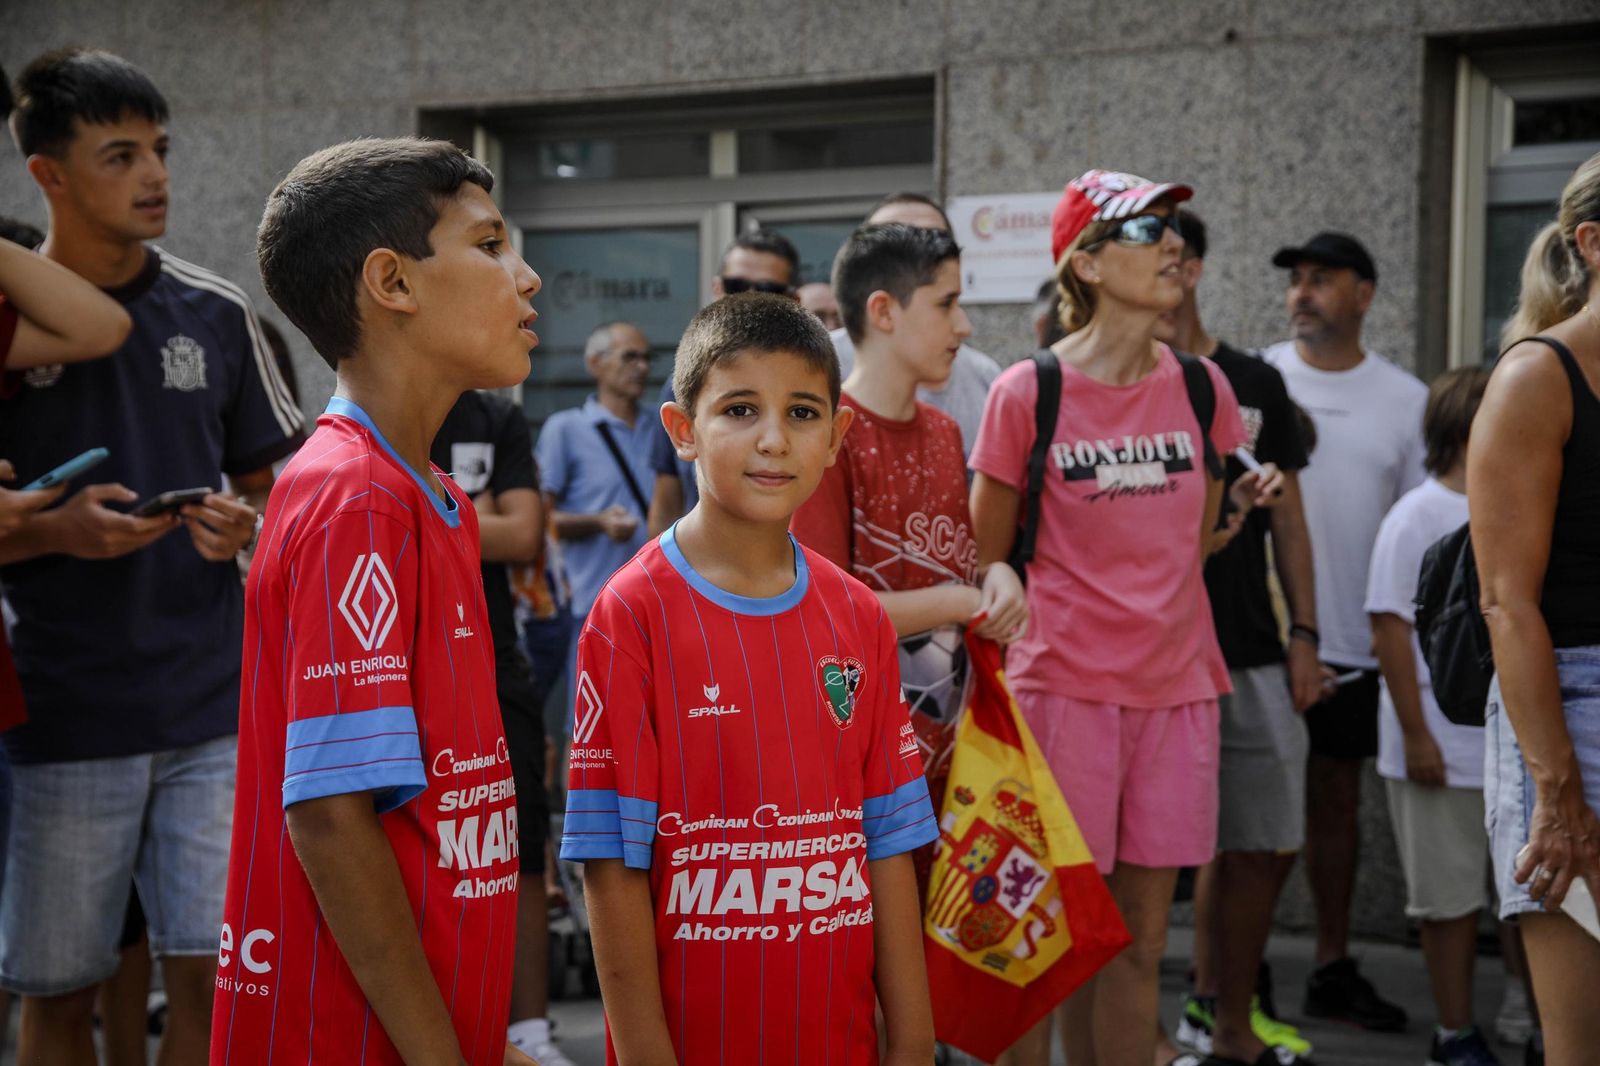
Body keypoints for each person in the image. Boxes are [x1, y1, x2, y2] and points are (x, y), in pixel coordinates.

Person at [0, 50, 305, 1066]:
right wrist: (50, 530)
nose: (155, 175)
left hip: (209, 709)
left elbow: (284, 493)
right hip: (61, 712)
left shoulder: (216, 314)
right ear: (46, 173)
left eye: (162, 150)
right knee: (56, 994)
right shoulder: (12, 324)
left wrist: (244, 526)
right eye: (120, 154)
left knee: (217, 977)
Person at [210, 136, 542, 1065]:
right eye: (489, 245)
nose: (528, 277)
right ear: (392, 281)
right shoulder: (351, 498)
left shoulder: (425, 494)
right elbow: (328, 814)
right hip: (347, 1036)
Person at [561, 293, 938, 1063]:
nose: (773, 439)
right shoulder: (630, 614)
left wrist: (912, 1043)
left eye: (802, 413)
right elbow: (610, 865)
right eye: (739, 409)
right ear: (683, 431)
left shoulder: (859, 616)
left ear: (836, 437)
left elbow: (890, 842)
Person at [969, 170, 1270, 1066]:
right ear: (1088, 263)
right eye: (1147, 229)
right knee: (1049, 936)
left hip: (1177, 690)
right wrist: (999, 582)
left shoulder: (1204, 385)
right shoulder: (1029, 390)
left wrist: (1239, 511)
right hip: (1062, 690)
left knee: (1142, 943)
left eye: (1176, 227)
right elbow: (987, 557)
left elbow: (1195, 544)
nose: (1174, 244)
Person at [790, 222, 1027, 890]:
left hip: (949, 756)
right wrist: (962, 602)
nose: (966, 326)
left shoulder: (947, 432)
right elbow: (825, 611)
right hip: (853, 760)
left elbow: (958, 563)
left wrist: (997, 575)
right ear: (885, 311)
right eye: (947, 304)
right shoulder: (826, 434)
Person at [1155, 209, 1318, 1066]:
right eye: (1150, 254)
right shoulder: (1101, 384)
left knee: (1261, 838)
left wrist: (1307, 634)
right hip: (1143, 653)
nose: (1165, 270)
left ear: (1197, 268)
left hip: (1250, 646)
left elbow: (1290, 522)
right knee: (1143, 857)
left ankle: (1227, 1022)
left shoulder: (1254, 380)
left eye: (1177, 256)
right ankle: (1160, 1023)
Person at [1262, 231, 1424, 1033]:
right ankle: (1234, 979)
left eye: (1321, 279)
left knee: (1334, 803)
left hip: (1356, 648)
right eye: (1295, 279)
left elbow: (1426, 533)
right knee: (1241, 817)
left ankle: (1331, 964)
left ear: (1364, 294)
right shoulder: (1256, 381)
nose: (1301, 292)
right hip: (1261, 638)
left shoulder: (1407, 399)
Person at [1472, 150, 1600, 1066]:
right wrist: (1556, 793)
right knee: (1580, 1043)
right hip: (1568, 708)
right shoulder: (1537, 378)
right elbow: (1508, 604)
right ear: (1592, 243)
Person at [430, 389, 574, 1066]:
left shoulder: (497, 416)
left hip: (495, 656)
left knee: (521, 837)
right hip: (400, 660)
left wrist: (430, 513)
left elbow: (522, 536)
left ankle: (530, 1033)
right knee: (423, 840)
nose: (519, 283)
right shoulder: (379, 410)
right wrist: (471, 513)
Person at [1366, 366, 1500, 1066]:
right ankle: (1454, 1032)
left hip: (1508, 750)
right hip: (1438, 750)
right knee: (1447, 903)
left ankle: (1531, 1024)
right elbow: (1389, 633)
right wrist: (1419, 736)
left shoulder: (1520, 500)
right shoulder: (1415, 517)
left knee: (1529, 901)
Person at [536, 320, 655, 733]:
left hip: (654, 607)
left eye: (646, 357)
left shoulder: (662, 429)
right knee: (587, 730)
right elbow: (537, 520)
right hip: (588, 607)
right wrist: (598, 523)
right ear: (595, 364)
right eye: (629, 357)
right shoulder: (565, 430)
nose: (641, 367)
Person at [645, 228, 802, 536]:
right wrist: (658, 576)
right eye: (738, 286)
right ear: (718, 289)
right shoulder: (681, 382)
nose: (750, 300)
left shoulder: (819, 380)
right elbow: (667, 496)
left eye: (768, 289)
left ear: (794, 300)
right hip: (698, 570)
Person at [829, 192, 1002, 457]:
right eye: (893, 238)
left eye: (933, 240)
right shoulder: (817, 368)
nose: (963, 326)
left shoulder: (981, 382)